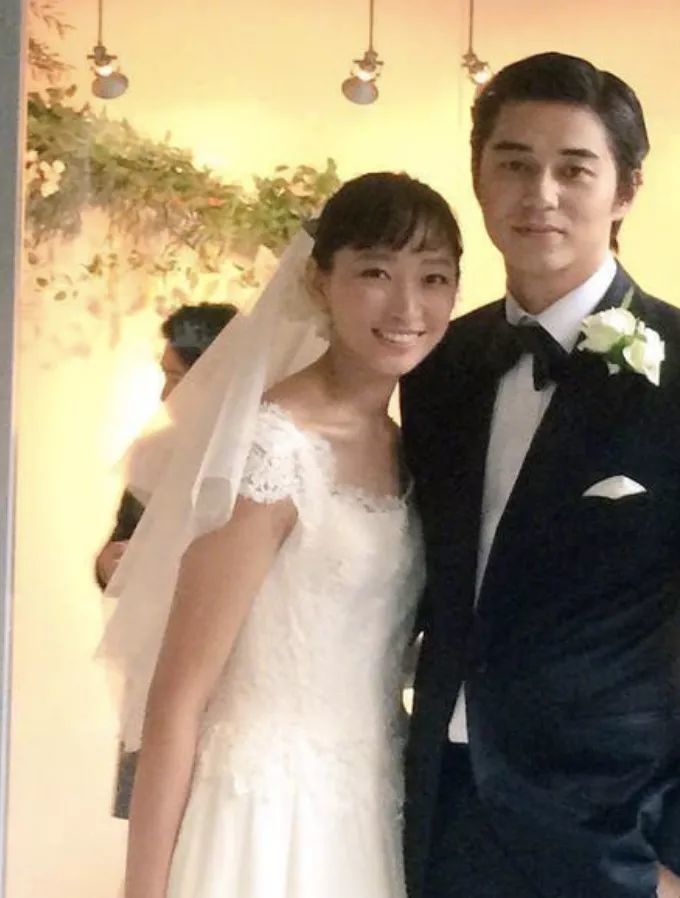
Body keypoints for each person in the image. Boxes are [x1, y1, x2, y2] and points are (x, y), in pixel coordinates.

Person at [400, 52, 680, 898]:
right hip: (440, 823)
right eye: (514, 163)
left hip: (615, 838)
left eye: (574, 169)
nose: (541, 194)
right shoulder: (439, 365)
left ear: (626, 189)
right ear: (479, 177)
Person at [98, 172, 461, 898]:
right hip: (261, 816)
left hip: (369, 807)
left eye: (434, 278)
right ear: (320, 281)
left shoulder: (403, 445)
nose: (407, 306)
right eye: (375, 273)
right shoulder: (273, 447)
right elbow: (178, 696)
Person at [95, 302, 238, 591]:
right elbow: (123, 540)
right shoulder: (155, 453)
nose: (164, 394)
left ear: (216, 379)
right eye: (165, 377)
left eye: (176, 378)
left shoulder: (262, 457)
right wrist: (108, 566)